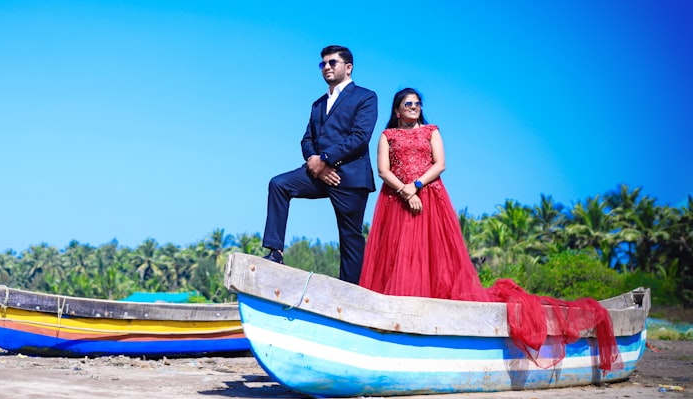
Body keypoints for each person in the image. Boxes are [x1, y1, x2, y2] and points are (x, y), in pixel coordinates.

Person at [358, 88, 620, 371]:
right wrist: (406, 193)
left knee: (431, 256)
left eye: (417, 103)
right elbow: (384, 171)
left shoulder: (432, 131)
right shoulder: (388, 136)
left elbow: (440, 164)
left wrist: (417, 187)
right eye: (407, 104)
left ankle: (430, 322)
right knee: (398, 257)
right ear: (396, 110)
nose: (413, 107)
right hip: (395, 201)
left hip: (430, 197)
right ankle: (391, 324)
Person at [262, 45, 378, 283]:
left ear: (348, 67)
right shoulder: (317, 104)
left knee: (350, 237)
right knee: (279, 184)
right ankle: (275, 252)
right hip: (317, 174)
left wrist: (325, 160)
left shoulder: (366, 97)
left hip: (350, 176)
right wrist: (315, 161)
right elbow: (307, 139)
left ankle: (351, 291)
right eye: (322, 64)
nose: (326, 67)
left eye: (332, 62)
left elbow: (360, 137)